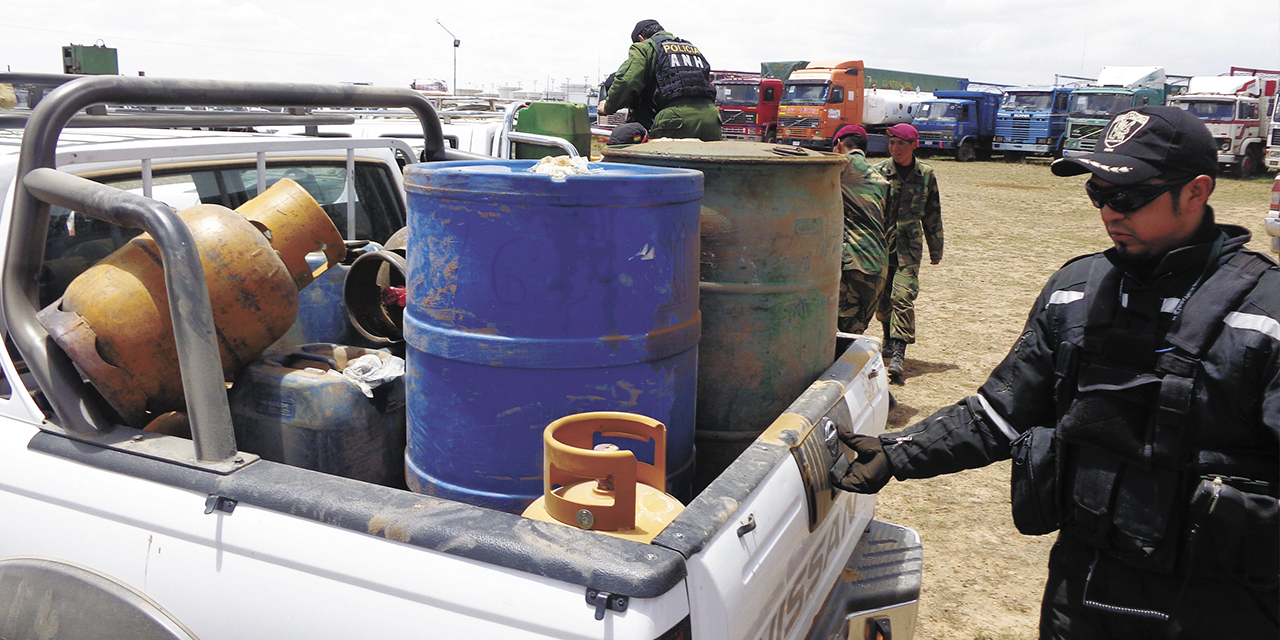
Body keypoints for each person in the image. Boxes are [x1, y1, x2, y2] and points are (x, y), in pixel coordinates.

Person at [834, 106, 1279, 639]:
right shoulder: (1076, 292)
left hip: (1220, 608)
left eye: (1129, 195)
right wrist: (899, 452)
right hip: (1083, 590)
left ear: (1196, 191)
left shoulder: (1264, 315)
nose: (1109, 212)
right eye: (1098, 194)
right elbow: (999, 413)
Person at [875, 123, 943, 384]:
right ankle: (888, 338)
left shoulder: (925, 174)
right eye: (892, 143)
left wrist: (936, 249)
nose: (895, 148)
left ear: (913, 145)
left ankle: (899, 353)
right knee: (883, 300)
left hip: (909, 247)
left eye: (901, 143)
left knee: (902, 296)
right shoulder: (878, 172)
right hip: (881, 245)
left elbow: (932, 214)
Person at [600, 19, 722, 142]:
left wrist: (608, 106)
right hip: (711, 117)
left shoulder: (645, 47)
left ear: (641, 38)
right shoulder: (692, 48)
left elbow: (627, 81)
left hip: (675, 118)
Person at [832, 124, 889, 335]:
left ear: (839, 144)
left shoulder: (842, 165)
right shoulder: (880, 177)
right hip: (878, 265)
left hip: (853, 262)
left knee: (841, 336)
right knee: (856, 332)